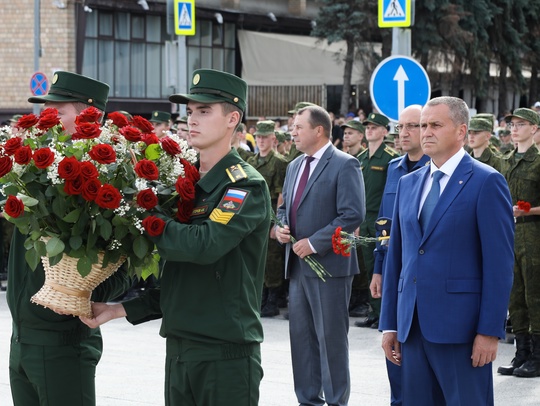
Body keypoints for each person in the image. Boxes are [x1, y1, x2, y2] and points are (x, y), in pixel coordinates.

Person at [81, 68, 271, 405]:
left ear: (232, 119)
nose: (192, 120)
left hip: (224, 356)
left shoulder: (243, 185)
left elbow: (204, 246)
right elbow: (182, 279)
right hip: (180, 349)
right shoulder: (185, 186)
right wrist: (118, 309)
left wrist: (144, 214)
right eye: (190, 111)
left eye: (204, 110)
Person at [379, 96, 514, 405]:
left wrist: (490, 331)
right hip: (411, 329)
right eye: (423, 125)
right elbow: (397, 257)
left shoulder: (486, 182)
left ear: (461, 131)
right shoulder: (409, 183)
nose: (426, 132)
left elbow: (499, 264)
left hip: (461, 331)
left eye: (435, 125)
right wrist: (389, 323)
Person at [8, 71, 131, 406]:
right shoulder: (34, 170)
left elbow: (127, 260)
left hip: (63, 338)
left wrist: (82, 292)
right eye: (46, 110)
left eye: (58, 111)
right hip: (22, 336)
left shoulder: (110, 179)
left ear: (90, 115)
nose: (48, 118)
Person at [275, 105, 365, 406]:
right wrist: (281, 227)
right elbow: (283, 207)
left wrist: (314, 243)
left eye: (298, 126)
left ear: (318, 130)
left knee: (331, 341)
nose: (293, 132)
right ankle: (308, 400)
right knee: (301, 340)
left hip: (329, 266)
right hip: (298, 266)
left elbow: (352, 213)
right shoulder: (294, 165)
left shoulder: (345, 164)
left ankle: (337, 401)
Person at [370, 104, 430, 406]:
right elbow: (384, 223)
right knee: (393, 352)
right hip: (396, 272)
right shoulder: (394, 168)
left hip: (424, 276)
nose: (403, 133)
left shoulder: (436, 169)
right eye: (401, 127)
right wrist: (379, 268)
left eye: (412, 126)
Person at [498, 108, 540, 378]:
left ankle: (537, 356)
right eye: (512, 124)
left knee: (535, 296)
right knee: (515, 296)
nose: (514, 128)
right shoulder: (506, 161)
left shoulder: (538, 163)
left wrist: (529, 211)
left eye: (521, 124)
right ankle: (521, 352)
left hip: (533, 235)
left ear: (534, 129)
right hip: (510, 236)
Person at [355, 112, 399, 329]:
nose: (369, 130)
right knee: (368, 265)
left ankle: (384, 313)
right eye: (368, 127)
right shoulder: (361, 158)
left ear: (384, 131)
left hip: (381, 219)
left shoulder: (390, 157)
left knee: (381, 265)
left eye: (374, 127)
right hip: (364, 218)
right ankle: (374, 311)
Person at [246, 120, 288, 317]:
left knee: (272, 258)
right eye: (258, 137)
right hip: (254, 216)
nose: (261, 141)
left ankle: (273, 297)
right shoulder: (252, 162)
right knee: (257, 257)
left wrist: (277, 224)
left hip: (270, 214)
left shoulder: (279, 162)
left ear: (273, 139)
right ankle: (261, 295)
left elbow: (282, 196)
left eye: (265, 137)